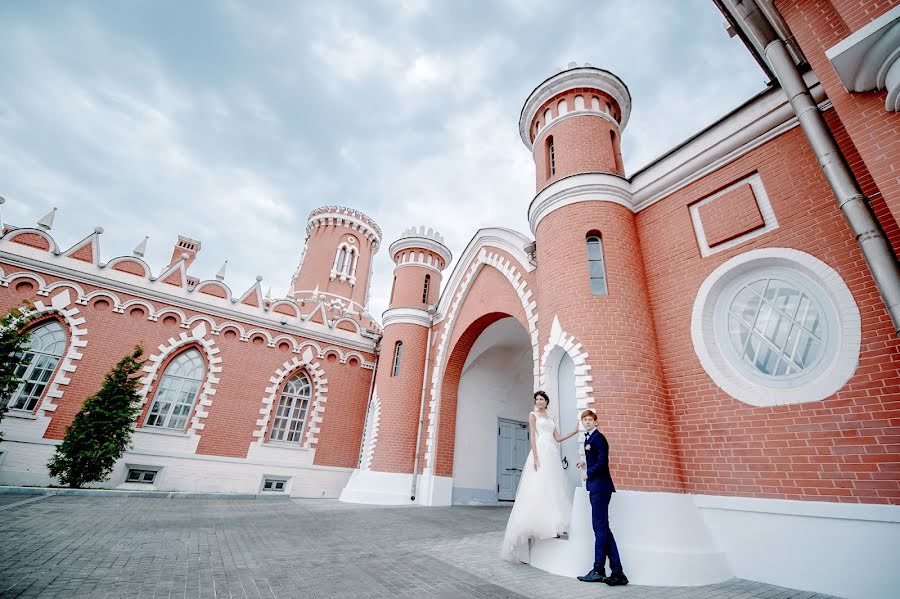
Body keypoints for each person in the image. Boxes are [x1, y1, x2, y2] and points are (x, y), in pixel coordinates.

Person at [500, 390, 580, 562]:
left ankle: (553, 527)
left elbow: (557, 438)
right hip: (541, 451)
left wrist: (574, 432)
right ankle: (533, 527)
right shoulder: (533, 415)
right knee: (538, 486)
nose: (539, 401)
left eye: (541, 399)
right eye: (536, 399)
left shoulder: (551, 418)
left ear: (546, 401)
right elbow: (533, 438)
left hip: (552, 452)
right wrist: (535, 457)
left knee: (553, 487)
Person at [576, 409, 628, 586]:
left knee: (599, 528)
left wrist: (588, 473)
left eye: (590, 420)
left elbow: (603, 461)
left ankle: (598, 570)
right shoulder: (588, 438)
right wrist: (584, 463)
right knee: (603, 529)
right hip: (596, 488)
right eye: (585, 420)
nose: (587, 422)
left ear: (595, 422)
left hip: (601, 488)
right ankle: (617, 572)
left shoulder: (599, 438)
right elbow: (595, 458)